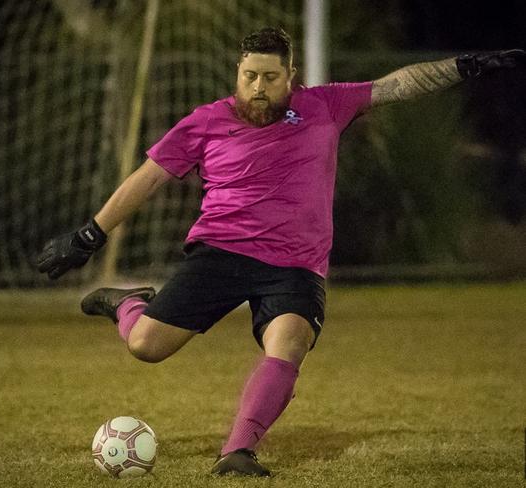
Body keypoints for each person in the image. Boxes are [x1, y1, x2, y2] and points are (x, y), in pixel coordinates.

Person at [37, 28, 524, 476]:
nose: (258, 87)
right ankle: (125, 302)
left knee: (289, 341)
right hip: (221, 252)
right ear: (238, 73)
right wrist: (90, 236)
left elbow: (396, 85)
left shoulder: (326, 105)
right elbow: (148, 179)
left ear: (291, 76)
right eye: (249, 76)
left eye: (270, 77)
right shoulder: (206, 121)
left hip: (294, 265)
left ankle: (238, 452)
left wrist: (465, 66)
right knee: (146, 347)